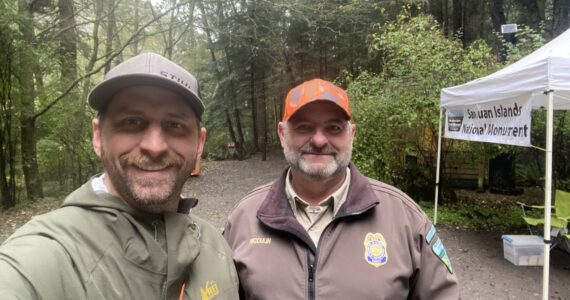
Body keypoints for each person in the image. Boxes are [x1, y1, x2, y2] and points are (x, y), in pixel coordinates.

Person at [0, 53, 239, 300]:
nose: (154, 147)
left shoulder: (216, 249)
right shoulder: (47, 256)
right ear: (97, 137)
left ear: (199, 143)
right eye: (132, 122)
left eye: (175, 125)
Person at [224, 78, 460, 299]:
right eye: (304, 127)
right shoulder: (244, 219)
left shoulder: (405, 219)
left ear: (352, 134)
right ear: (282, 133)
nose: (318, 141)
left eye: (334, 128)